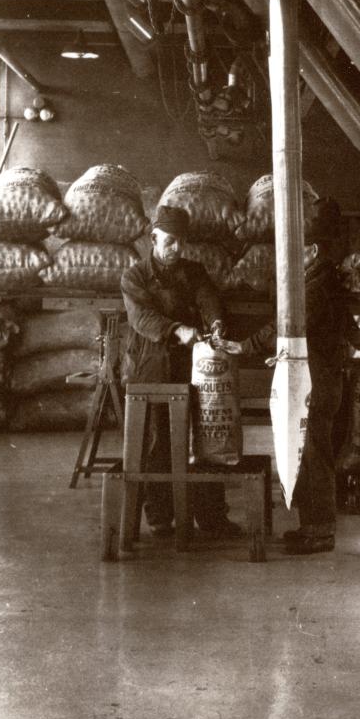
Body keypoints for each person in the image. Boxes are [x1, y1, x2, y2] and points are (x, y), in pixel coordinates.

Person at [226, 197, 360, 554]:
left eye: (294, 250)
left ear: (309, 249)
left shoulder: (315, 285)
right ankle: (312, 525)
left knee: (313, 455)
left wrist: (245, 347)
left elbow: (287, 324)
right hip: (321, 376)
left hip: (318, 380)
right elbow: (349, 327)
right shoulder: (322, 279)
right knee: (309, 452)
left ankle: (320, 530)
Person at [120, 204, 238, 538]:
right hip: (151, 365)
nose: (176, 249)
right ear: (153, 238)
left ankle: (211, 516)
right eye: (170, 242)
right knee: (159, 439)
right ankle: (160, 516)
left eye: (181, 243)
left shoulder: (194, 270)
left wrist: (215, 321)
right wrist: (177, 329)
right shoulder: (135, 276)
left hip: (192, 366)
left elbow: (208, 297)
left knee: (206, 437)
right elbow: (141, 318)